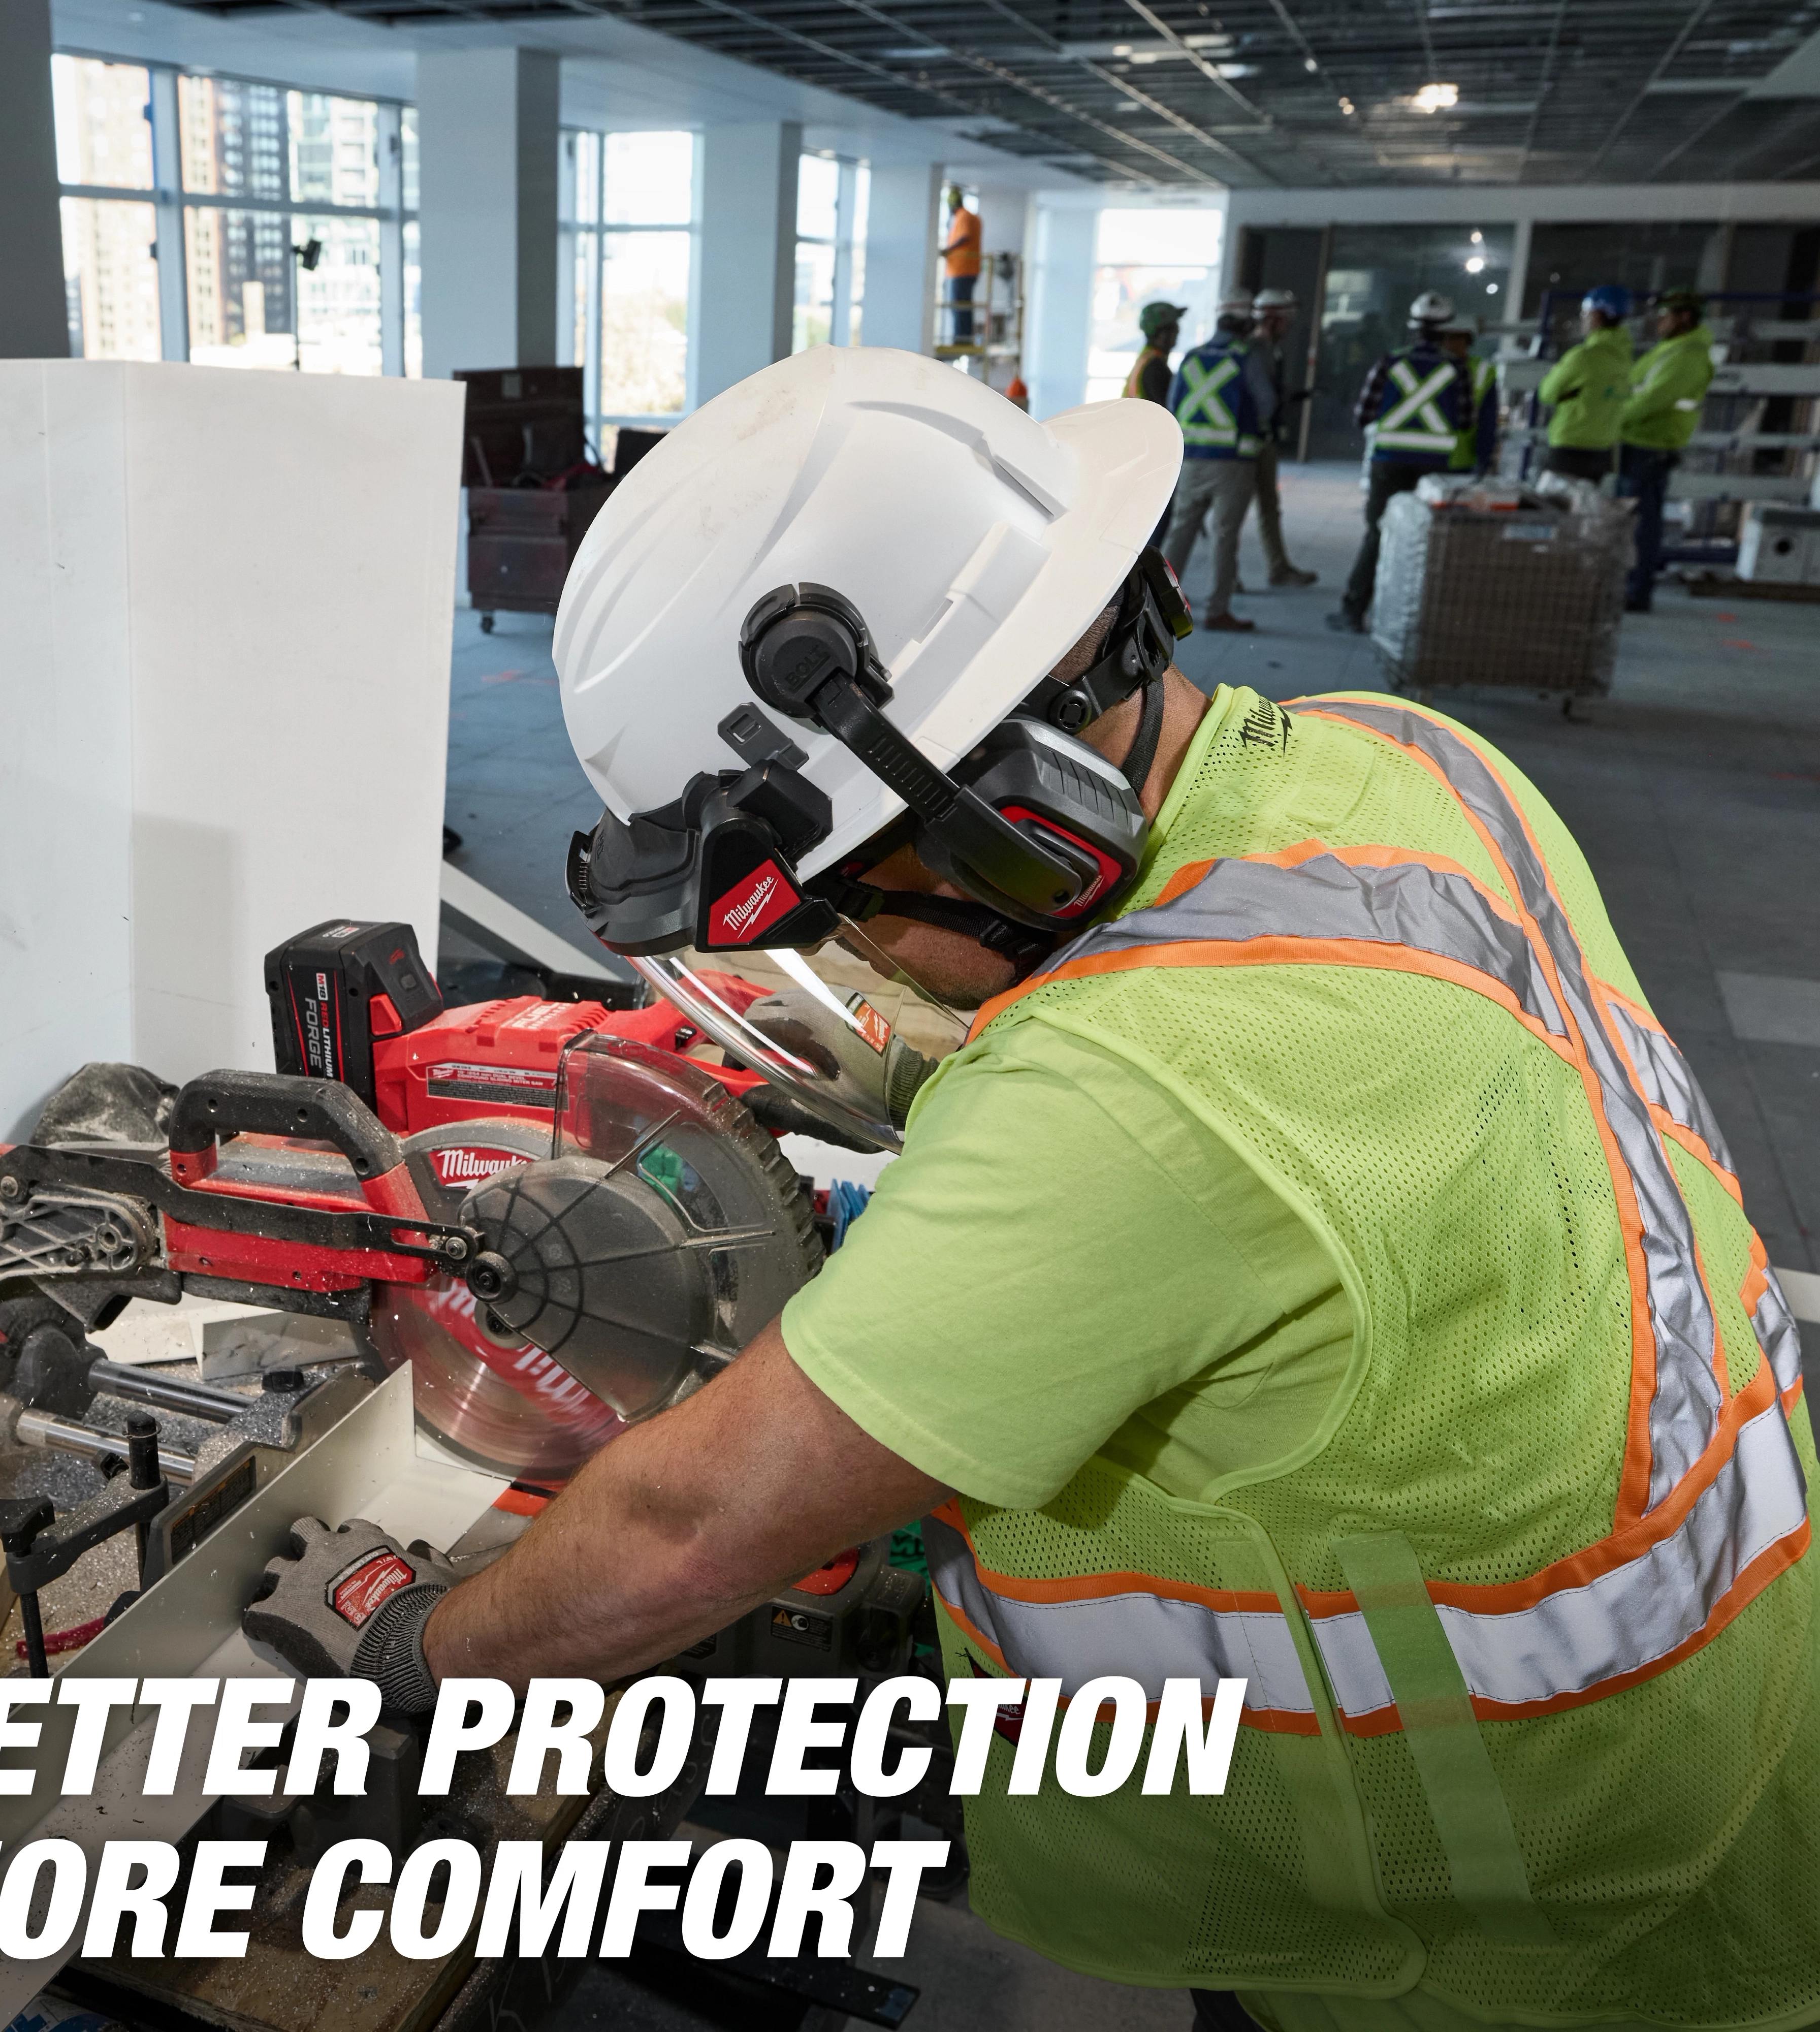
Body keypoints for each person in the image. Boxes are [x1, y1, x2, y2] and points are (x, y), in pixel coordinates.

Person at [246, 343, 1820, 2032]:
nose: (841, 954)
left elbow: (690, 1529)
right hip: (1718, 1716)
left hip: (1501, 1917)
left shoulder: (1143, 1085)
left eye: (838, 904)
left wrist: (415, 1641)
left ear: (1008, 822)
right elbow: (1292, 1100)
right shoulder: (1394, 758)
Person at [1327, 291, 1474, 633]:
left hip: (1389, 463)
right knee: (1427, 542)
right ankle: (1415, 623)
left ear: (1411, 327)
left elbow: (1363, 414)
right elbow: (1466, 420)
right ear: (1447, 330)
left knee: (1378, 534)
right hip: (1435, 470)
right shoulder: (1457, 369)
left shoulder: (1390, 362)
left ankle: (1353, 611)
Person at [1161, 291, 1275, 633]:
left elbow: (1173, 404)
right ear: (1245, 322)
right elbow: (1267, 403)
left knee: (1181, 531)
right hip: (1233, 463)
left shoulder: (1192, 358)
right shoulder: (1246, 357)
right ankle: (1218, 610)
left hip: (1192, 459)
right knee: (1226, 536)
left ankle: (1157, 603)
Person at [1617, 286, 1714, 612]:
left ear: (1684, 317)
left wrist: (1610, 420)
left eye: (1664, 316)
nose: (1658, 322)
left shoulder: (1687, 356)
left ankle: (1637, 591)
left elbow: (1652, 400)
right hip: (1639, 443)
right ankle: (1628, 586)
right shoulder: (1669, 349)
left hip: (1651, 446)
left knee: (1642, 525)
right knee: (1632, 522)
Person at [1247, 285, 1317, 587]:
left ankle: (1279, 567)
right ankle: (1231, 577)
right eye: (1286, 320)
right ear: (1273, 320)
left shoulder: (1269, 349)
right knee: (1234, 516)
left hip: (1263, 438)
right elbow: (1259, 396)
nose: (1290, 327)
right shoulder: (1256, 350)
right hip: (1252, 442)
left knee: (1269, 507)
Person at [1538, 284, 1634, 483]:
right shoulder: (1625, 359)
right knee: (1585, 511)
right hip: (1604, 451)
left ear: (1597, 316)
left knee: (1555, 510)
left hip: (1569, 448)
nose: (1583, 319)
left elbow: (1546, 393)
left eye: (1585, 314)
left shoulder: (1584, 357)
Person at [1443, 315, 1499, 477]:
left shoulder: (1483, 371)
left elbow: (1487, 422)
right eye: (1445, 338)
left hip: (1461, 460)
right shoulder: (1426, 365)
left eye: (1455, 338)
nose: (1449, 344)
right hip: (1419, 457)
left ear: (1467, 340)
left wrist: (1484, 459)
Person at [1124, 299, 1183, 404]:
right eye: (1173, 327)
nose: (1178, 330)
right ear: (1160, 333)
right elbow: (1168, 410)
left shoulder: (1146, 359)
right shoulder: (1155, 367)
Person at [943, 187, 981, 345]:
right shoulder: (971, 217)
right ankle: (964, 338)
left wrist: (948, 250)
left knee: (959, 307)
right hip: (966, 269)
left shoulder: (964, 217)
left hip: (962, 269)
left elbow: (964, 237)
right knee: (963, 306)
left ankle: (962, 339)